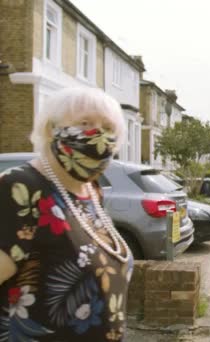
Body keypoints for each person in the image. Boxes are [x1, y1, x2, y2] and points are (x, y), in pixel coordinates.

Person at [0, 87, 133, 341]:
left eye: (108, 127)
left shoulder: (91, 191)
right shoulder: (20, 188)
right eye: (85, 123)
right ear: (51, 129)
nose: (99, 135)